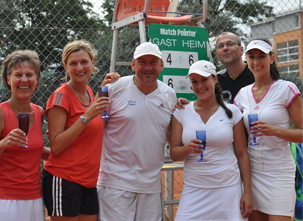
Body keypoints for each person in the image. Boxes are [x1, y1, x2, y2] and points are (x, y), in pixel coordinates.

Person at [97, 42, 177, 221]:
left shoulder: (170, 95)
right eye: (142, 62)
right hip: (115, 183)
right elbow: (95, 126)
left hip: (151, 185)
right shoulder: (114, 89)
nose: (148, 67)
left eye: (153, 62)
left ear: (161, 65)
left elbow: (173, 136)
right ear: (133, 65)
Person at [41, 40, 119, 221]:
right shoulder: (61, 96)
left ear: (92, 62)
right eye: (73, 63)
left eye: (84, 62)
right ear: (66, 67)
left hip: (89, 181)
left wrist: (104, 86)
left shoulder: (90, 92)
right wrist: (87, 115)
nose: (79, 68)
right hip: (64, 179)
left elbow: (87, 127)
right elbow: (57, 145)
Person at [171, 60, 253, 221]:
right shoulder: (181, 112)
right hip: (194, 189)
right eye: (194, 81)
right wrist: (188, 148)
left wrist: (248, 193)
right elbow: (174, 154)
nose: (199, 86)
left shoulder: (232, 112)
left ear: (215, 79)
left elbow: (242, 154)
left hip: (227, 188)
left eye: (204, 80)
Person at [234, 38, 303, 221]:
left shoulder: (287, 89)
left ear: (272, 58)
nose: (256, 62)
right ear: (246, 60)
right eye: (251, 57)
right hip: (253, 174)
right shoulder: (242, 95)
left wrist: (275, 131)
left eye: (261, 56)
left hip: (279, 173)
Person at [0, 50, 50, 221]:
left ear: (36, 79)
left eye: (29, 75)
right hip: (3, 200)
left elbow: (35, 150)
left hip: (34, 198)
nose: (24, 80)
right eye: (17, 75)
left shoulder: (40, 112)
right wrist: (3, 144)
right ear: (8, 79)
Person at [216, 32, 255, 103]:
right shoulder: (216, 80)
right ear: (217, 55)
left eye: (230, 44)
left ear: (241, 50)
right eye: (221, 46)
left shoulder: (256, 74)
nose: (225, 48)